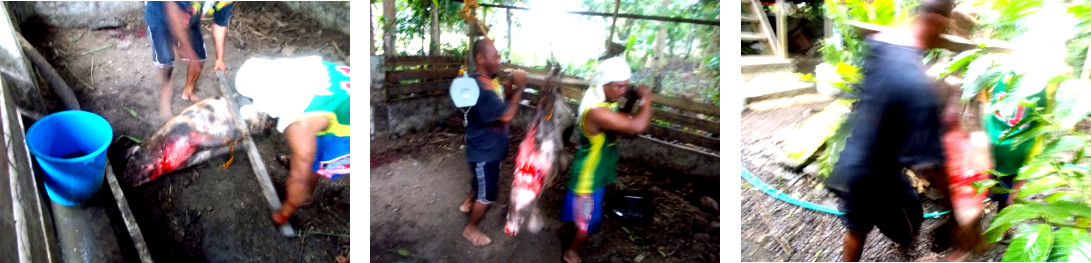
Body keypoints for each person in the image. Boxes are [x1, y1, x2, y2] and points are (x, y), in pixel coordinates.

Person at [822, 0, 962, 261]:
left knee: (856, 230)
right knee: (910, 228)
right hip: (879, 179)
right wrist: (955, 214)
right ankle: (906, 247)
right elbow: (932, 164)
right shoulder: (916, 84)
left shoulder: (883, 46)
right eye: (945, 28)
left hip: (849, 166)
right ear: (937, 22)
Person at [231, 56, 350, 226]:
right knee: (307, 148)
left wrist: (284, 213)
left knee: (308, 164)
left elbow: (298, 182)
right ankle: (300, 159)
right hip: (340, 97)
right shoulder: (300, 67)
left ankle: (307, 197)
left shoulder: (299, 125)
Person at [561, 57, 653, 263]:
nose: (623, 91)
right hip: (589, 180)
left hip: (586, 171)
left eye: (626, 86)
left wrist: (630, 101)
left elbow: (616, 125)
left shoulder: (599, 99)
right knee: (587, 224)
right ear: (605, 85)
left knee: (576, 214)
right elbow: (637, 126)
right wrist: (646, 99)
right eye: (620, 86)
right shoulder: (596, 111)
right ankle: (571, 252)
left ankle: (568, 233)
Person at [455, 38, 526, 247]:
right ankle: (471, 228)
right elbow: (506, 115)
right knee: (487, 194)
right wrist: (521, 88)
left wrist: (510, 87)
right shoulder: (480, 88)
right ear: (480, 58)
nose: (499, 61)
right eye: (495, 57)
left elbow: (502, 104)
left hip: (487, 148)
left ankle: (467, 204)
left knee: (480, 180)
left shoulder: (488, 81)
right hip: (484, 152)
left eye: (499, 56)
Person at [145, 1, 234, 120]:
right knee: (165, 60)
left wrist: (219, 58)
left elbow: (220, 25)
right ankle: (165, 90)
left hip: (188, 17)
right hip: (159, 15)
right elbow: (172, 11)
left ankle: (188, 92)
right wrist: (185, 48)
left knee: (199, 58)